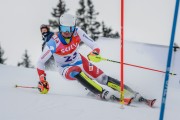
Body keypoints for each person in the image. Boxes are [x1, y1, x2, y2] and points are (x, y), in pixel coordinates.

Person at [36, 14, 155, 106]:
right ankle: (102, 93)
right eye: (64, 28)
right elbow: (40, 62)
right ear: (60, 27)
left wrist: (95, 52)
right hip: (64, 68)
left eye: (69, 28)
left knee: (103, 78)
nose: (67, 31)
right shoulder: (53, 43)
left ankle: (133, 94)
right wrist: (42, 80)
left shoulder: (77, 32)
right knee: (76, 71)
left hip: (79, 60)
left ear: (74, 27)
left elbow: (94, 45)